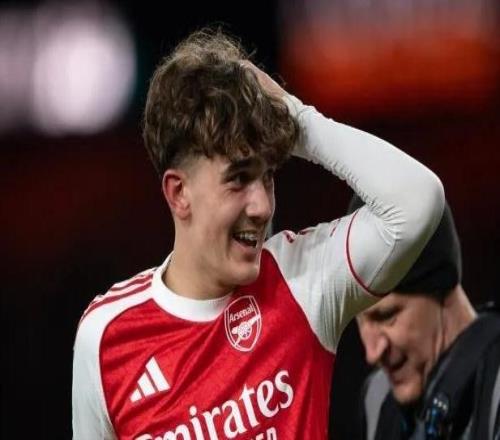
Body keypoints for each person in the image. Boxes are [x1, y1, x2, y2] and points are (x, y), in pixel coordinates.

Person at [72, 28, 444, 439]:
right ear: (179, 193)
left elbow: (416, 203)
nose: (263, 206)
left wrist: (300, 121)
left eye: (267, 177)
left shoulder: (302, 281)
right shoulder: (106, 338)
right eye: (238, 179)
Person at [352, 195, 500, 440]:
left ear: (442, 286)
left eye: (387, 316)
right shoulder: (377, 398)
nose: (372, 353)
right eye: (359, 320)